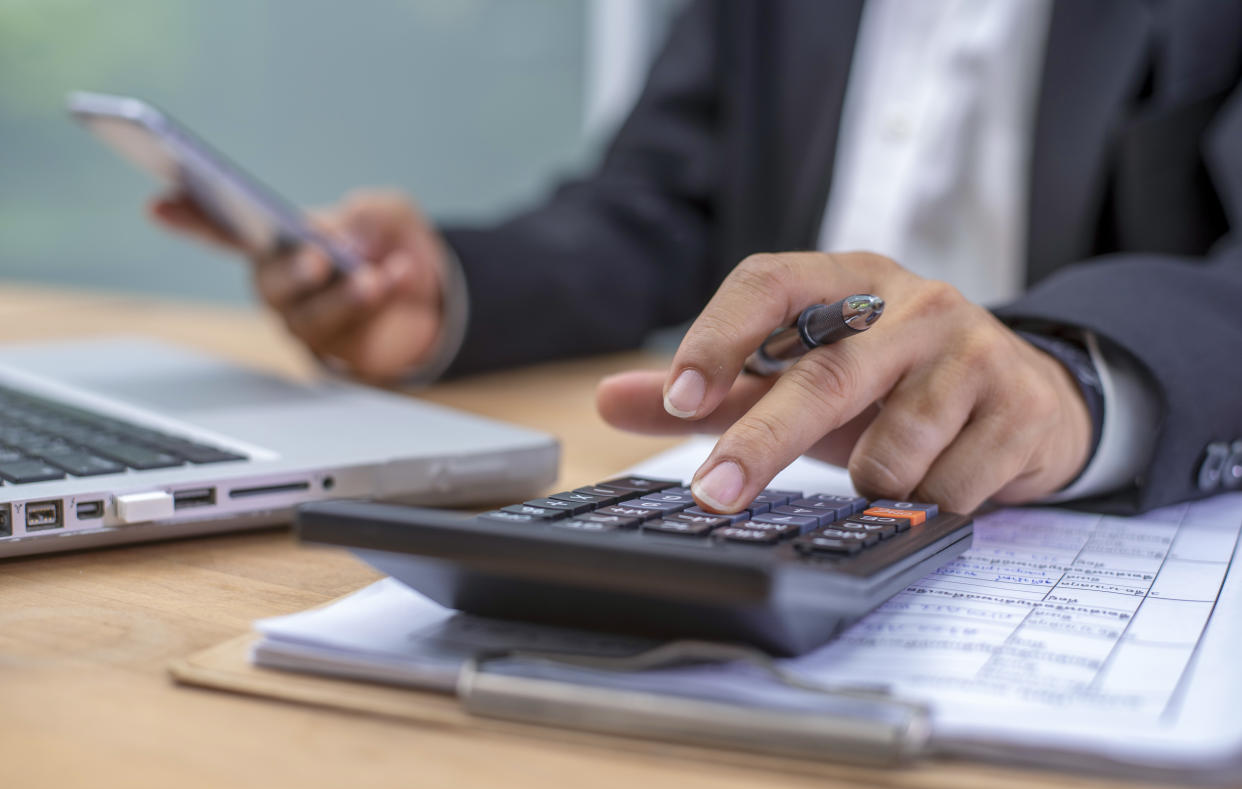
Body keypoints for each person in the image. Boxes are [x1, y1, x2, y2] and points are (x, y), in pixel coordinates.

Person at [152, 0, 1242, 517]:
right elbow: (664, 202)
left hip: (1084, 516)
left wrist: (1069, 374)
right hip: (781, 494)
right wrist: (444, 294)